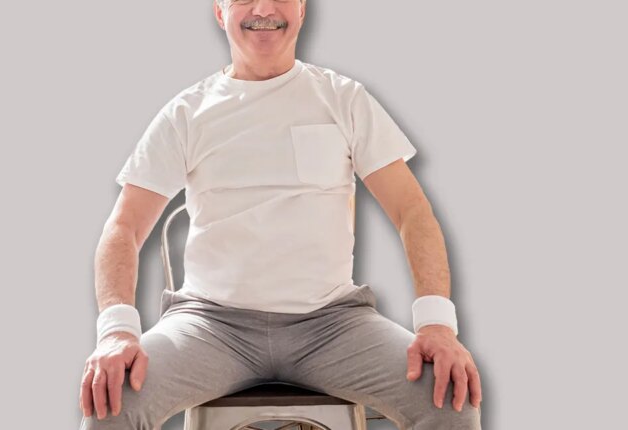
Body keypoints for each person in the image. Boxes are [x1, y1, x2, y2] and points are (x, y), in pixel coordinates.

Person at [79, 1, 483, 428]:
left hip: (333, 325)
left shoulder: (344, 99)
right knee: (112, 397)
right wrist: (117, 330)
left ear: (303, 9)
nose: (264, 8)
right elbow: (124, 227)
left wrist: (437, 324)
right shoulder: (186, 113)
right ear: (220, 12)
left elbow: (411, 211)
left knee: (449, 394)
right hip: (211, 327)